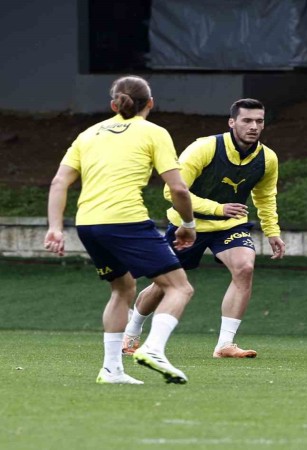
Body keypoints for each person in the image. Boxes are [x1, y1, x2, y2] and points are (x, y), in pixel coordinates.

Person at [44, 75, 196, 384]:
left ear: (114, 105)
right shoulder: (154, 132)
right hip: (125, 220)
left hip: (88, 224)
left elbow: (59, 182)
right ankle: (153, 349)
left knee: (123, 288)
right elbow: (179, 189)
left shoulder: (88, 134)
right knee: (179, 288)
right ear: (150, 103)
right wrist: (188, 225)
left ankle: (112, 369)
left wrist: (55, 228)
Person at [122, 98, 285, 359]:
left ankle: (225, 344)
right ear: (232, 122)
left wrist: (272, 231)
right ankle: (132, 331)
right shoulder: (204, 148)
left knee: (244, 268)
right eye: (246, 120)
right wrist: (218, 208)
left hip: (230, 226)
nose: (254, 126)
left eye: (259, 121)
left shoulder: (268, 158)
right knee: (164, 285)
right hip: (188, 226)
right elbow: (172, 191)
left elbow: (265, 197)